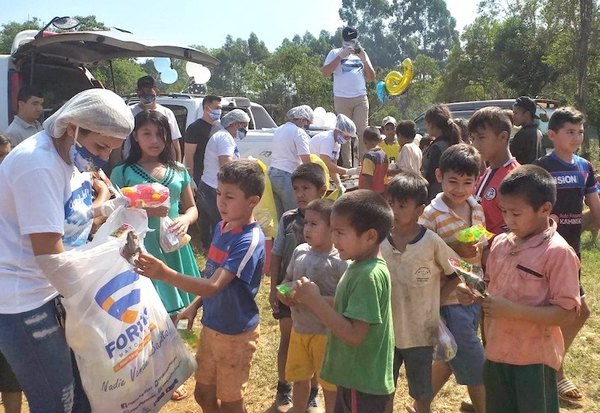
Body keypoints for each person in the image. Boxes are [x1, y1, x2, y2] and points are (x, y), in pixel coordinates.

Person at [0, 88, 134, 413]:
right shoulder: (38, 165)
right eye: (100, 145)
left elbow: (72, 217)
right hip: (24, 302)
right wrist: (97, 303)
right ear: (72, 126)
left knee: (83, 394)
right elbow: (50, 253)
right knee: (57, 401)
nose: (103, 157)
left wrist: (120, 204)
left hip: (54, 291)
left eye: (112, 150)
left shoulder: (70, 158)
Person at [135, 159, 265, 413]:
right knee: (203, 394)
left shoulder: (249, 240)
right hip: (211, 326)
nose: (221, 202)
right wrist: (195, 305)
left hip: (235, 335)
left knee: (230, 403)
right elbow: (211, 275)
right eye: (218, 194)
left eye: (230, 196)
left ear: (253, 201)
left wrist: (164, 273)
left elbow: (214, 285)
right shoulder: (221, 227)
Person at [457, 165, 581, 413]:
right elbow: (492, 288)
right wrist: (472, 292)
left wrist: (513, 311)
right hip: (496, 353)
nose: (507, 220)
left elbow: (567, 313)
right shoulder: (501, 244)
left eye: (515, 213)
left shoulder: (557, 253)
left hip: (534, 361)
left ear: (545, 209)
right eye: (503, 211)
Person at [294, 190, 395, 412]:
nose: (333, 239)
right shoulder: (359, 266)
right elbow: (346, 307)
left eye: (339, 233)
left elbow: (354, 335)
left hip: (361, 383)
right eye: (332, 231)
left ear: (369, 236)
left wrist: (315, 301)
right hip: (355, 379)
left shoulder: (367, 275)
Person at [533, 107, 600, 402]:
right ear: (552, 134)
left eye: (580, 132)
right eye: (570, 132)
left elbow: (594, 205)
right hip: (547, 251)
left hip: (573, 252)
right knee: (564, 310)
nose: (577, 137)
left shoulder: (585, 167)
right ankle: (552, 370)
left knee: (578, 312)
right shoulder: (541, 167)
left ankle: (551, 365)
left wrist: (595, 218)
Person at [110, 110, 200, 319]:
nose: (154, 140)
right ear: (135, 136)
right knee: (145, 310)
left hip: (174, 245)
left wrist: (185, 219)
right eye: (147, 134)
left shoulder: (178, 169)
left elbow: (192, 208)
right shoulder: (123, 171)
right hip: (140, 246)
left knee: (178, 311)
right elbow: (112, 213)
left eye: (160, 134)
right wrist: (144, 211)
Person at [381, 171, 459, 413]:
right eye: (391, 204)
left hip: (420, 334)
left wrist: (437, 300)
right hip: (386, 333)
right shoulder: (379, 239)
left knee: (422, 393)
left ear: (420, 210)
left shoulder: (431, 241)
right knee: (384, 390)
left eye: (402, 206)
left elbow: (457, 273)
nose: (394, 210)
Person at [418, 144, 486, 413]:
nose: (459, 189)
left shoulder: (477, 208)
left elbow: (480, 245)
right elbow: (420, 253)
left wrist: (479, 249)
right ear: (439, 176)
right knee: (475, 360)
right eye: (453, 181)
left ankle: (420, 403)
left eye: (467, 182)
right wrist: (454, 249)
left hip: (474, 292)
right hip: (447, 297)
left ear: (476, 181)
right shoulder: (431, 214)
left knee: (449, 354)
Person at [278, 198, 347, 413]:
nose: (306, 228)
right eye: (306, 223)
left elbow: (344, 302)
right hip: (300, 330)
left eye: (314, 224)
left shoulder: (340, 261)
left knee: (330, 385)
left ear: (332, 229)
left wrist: (312, 299)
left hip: (327, 335)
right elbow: (286, 282)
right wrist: (285, 295)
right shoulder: (300, 252)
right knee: (300, 379)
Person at [269, 162, 328, 413]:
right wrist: (274, 288)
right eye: (296, 189)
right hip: (288, 291)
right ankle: (284, 387)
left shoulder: (332, 218)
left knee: (315, 342)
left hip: (317, 295)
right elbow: (277, 254)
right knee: (288, 338)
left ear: (322, 190)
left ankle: (313, 392)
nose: (300, 193)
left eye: (306, 188)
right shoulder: (288, 218)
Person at [321, 26, 375, 167]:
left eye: (352, 39)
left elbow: (371, 77)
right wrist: (340, 56)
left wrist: (363, 59)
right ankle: (347, 167)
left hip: (360, 98)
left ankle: (364, 166)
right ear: (342, 39)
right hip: (342, 98)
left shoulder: (362, 53)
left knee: (363, 132)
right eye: (347, 39)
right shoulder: (334, 52)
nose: (350, 42)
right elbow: (325, 72)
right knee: (345, 134)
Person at [197, 109, 250, 252]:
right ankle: (216, 257)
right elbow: (226, 164)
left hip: (208, 185)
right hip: (213, 188)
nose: (245, 130)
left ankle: (210, 256)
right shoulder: (225, 138)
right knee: (219, 225)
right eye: (244, 126)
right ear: (235, 124)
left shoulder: (221, 136)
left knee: (209, 227)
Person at [469, 107, 520, 235]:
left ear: (503, 137)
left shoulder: (516, 178)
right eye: (473, 138)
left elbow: (517, 231)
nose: (475, 144)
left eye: (481, 137)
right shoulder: (486, 173)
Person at [269, 105, 314, 219]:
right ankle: (293, 237)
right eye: (307, 122)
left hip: (272, 174)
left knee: (280, 217)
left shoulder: (279, 129)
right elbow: (306, 160)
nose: (306, 126)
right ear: (302, 119)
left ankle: (282, 237)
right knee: (293, 214)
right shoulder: (298, 132)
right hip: (287, 174)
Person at [123, 75, 182, 161]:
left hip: (162, 164)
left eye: (149, 91)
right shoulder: (128, 111)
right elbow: (118, 144)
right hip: (131, 164)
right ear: (137, 92)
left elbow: (174, 143)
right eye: (141, 91)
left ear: (157, 92)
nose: (145, 94)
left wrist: (177, 167)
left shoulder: (167, 113)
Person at [421, 104, 463, 201]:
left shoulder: (437, 148)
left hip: (436, 197)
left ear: (431, 124)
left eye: (426, 123)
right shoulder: (453, 143)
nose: (426, 126)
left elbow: (431, 177)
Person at [309, 113, 359, 191]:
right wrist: (347, 171)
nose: (348, 139)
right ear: (338, 131)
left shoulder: (337, 144)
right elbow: (326, 163)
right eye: (346, 137)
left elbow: (333, 167)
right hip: (310, 170)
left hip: (317, 171)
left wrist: (339, 184)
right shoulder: (327, 139)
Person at [184, 94, 223, 185]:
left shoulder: (219, 127)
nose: (219, 111)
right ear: (206, 108)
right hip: (200, 178)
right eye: (217, 108)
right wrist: (190, 179)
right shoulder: (194, 128)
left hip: (215, 178)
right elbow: (189, 155)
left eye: (220, 108)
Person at [510, 96, 543, 164]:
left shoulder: (523, 134)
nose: (513, 116)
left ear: (527, 114)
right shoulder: (538, 132)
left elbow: (511, 159)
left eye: (516, 113)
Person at [358, 126, 388, 194]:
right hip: (381, 192)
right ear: (379, 140)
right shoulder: (384, 155)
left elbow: (368, 179)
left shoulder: (369, 157)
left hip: (369, 194)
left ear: (365, 141)